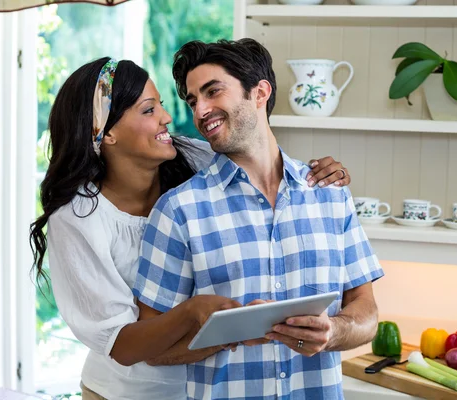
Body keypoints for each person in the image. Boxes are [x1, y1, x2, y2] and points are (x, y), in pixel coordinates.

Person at [29, 57, 353, 400]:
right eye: (148, 110)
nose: (167, 118)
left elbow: (264, 163)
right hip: (127, 393)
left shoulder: (195, 159)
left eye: (162, 106)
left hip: (204, 389)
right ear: (106, 132)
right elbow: (121, 345)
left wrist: (320, 172)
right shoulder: (78, 220)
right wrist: (192, 312)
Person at [133, 39, 385, 400]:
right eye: (192, 101)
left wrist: (333, 330)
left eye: (212, 91)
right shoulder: (178, 211)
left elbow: (367, 312)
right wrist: (228, 336)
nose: (200, 110)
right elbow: (152, 347)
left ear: (260, 93)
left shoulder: (330, 194)